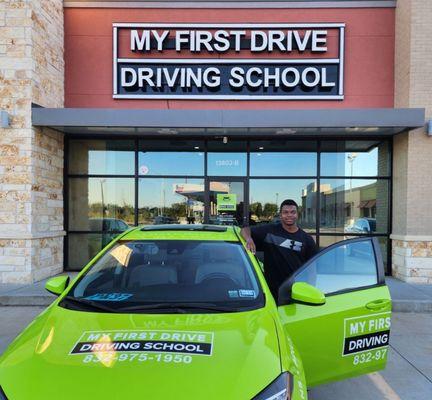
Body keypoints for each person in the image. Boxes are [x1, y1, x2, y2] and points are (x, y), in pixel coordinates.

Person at [240, 199, 318, 301]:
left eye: (292, 212)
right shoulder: (269, 231)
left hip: (296, 291)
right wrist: (249, 239)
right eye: (285, 212)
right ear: (280, 215)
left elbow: (312, 270)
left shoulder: (307, 239)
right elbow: (245, 230)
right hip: (270, 291)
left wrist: (309, 291)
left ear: (297, 215)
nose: (289, 215)